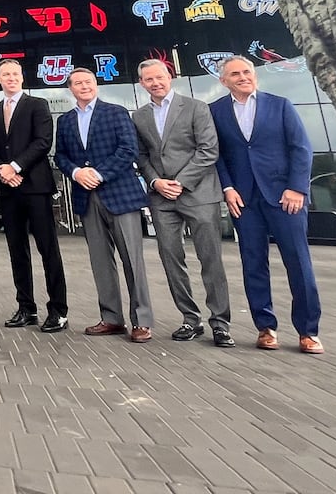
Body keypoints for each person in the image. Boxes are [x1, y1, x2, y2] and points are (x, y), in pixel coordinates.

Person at [212, 55, 324, 354]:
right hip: (244, 200)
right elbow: (217, 155)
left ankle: (308, 331)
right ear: (224, 81)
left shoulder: (280, 105)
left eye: (247, 72)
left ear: (255, 76)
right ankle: (265, 327)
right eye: (234, 74)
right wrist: (228, 187)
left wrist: (297, 188)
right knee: (253, 263)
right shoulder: (215, 111)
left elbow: (301, 147)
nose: (242, 77)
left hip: (284, 197)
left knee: (298, 263)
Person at [131, 59, 232, 347]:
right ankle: (190, 318)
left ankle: (220, 322)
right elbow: (141, 156)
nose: (155, 83)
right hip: (161, 198)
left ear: (169, 77)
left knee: (210, 259)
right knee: (172, 259)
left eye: (159, 77)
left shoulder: (196, 107)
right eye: (149, 80)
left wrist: (181, 181)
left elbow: (208, 150)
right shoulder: (139, 117)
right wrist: (156, 182)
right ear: (142, 84)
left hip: (198, 194)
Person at [54, 67, 154, 343]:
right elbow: (60, 156)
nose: (84, 86)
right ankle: (111, 318)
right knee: (100, 261)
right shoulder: (65, 121)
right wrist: (76, 172)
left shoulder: (116, 112)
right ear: (70, 89)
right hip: (87, 197)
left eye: (88, 82)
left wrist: (97, 173)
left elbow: (128, 150)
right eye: (78, 83)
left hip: (119, 195)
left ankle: (142, 320)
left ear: (95, 85)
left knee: (132, 260)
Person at [0, 59, 67, 332]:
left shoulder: (37, 105)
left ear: (22, 76)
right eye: (5, 74)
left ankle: (58, 310)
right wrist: (3, 172)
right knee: (17, 251)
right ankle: (26, 308)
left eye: (15, 73)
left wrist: (16, 167)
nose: (10, 78)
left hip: (35, 187)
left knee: (47, 250)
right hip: (8, 190)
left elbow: (43, 141)